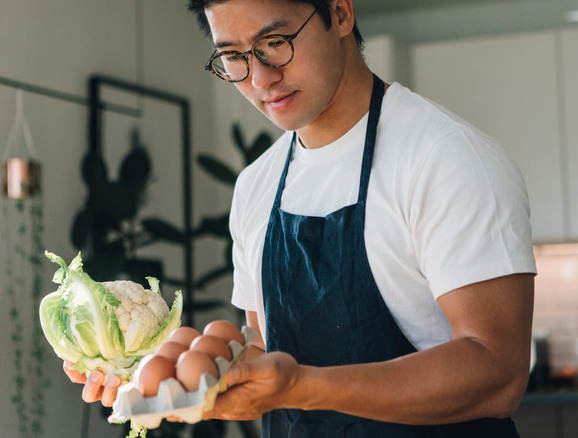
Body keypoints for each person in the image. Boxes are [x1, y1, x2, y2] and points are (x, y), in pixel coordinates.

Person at [66, 0, 537, 435]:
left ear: (340, 12)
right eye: (233, 56)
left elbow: (497, 373)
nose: (260, 79)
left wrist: (301, 387)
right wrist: (159, 376)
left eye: (275, 43)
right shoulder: (257, 185)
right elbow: (264, 352)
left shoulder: (445, 158)